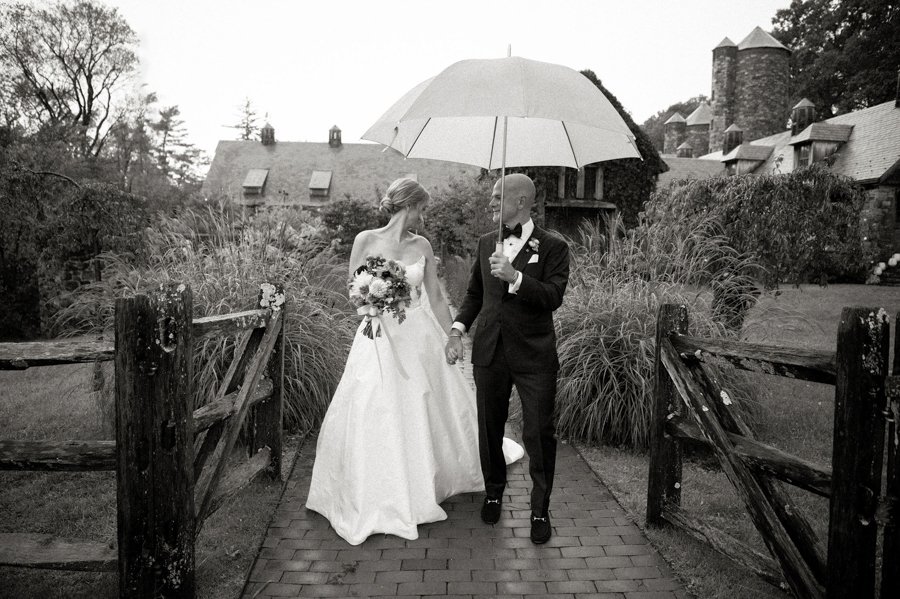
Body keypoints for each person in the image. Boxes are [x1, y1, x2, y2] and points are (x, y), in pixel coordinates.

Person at [306, 177, 523, 546]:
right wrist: (371, 302)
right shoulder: (365, 240)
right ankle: (378, 488)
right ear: (408, 205)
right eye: (422, 208)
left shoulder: (422, 244)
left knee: (423, 403)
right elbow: (352, 290)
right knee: (375, 404)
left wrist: (452, 335)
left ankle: (426, 481)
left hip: (418, 337)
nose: (423, 215)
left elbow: (436, 296)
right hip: (376, 338)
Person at [445, 173, 569, 545]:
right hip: (490, 353)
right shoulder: (486, 243)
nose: (490, 203)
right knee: (489, 429)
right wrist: (456, 331)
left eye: (496, 197)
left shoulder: (553, 247)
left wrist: (515, 276)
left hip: (534, 355)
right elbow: (474, 296)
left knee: (539, 433)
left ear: (519, 201)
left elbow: (552, 297)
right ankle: (493, 491)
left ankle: (539, 509)